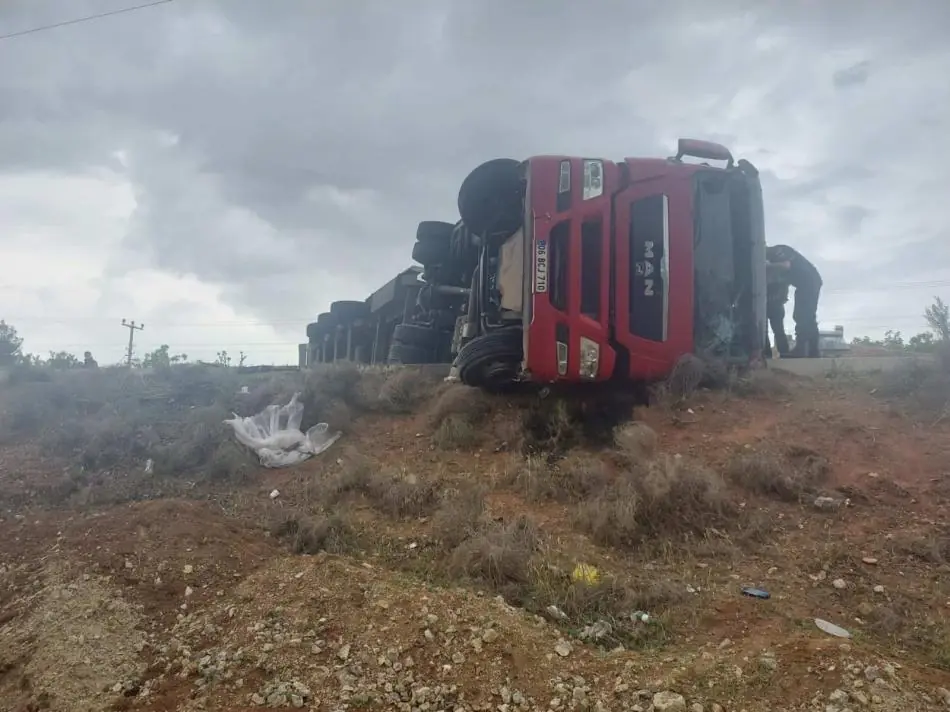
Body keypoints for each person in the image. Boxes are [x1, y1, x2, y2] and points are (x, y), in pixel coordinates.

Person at [766, 244, 822, 358]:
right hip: (806, 283)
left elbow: (786, 265)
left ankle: (802, 349)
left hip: (808, 282)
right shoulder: (776, 254)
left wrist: (767, 266)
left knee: (801, 315)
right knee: (808, 315)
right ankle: (813, 351)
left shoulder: (777, 251)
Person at [764, 253, 791, 358]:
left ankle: (783, 354)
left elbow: (786, 266)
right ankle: (769, 354)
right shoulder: (778, 276)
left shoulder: (777, 274)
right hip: (769, 304)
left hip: (774, 304)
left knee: (778, 330)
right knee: (767, 331)